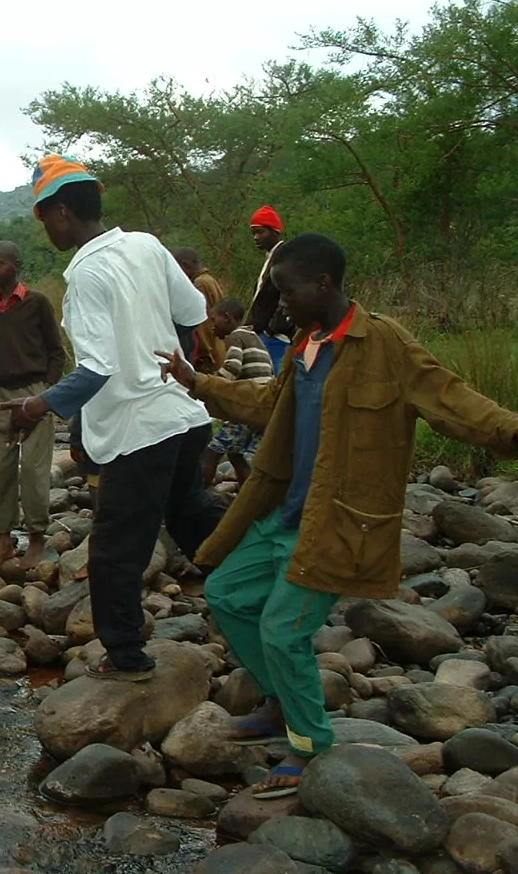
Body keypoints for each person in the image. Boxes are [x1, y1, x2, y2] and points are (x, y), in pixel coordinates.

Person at [157, 233, 518, 799]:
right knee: (225, 592)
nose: (280, 305)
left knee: (282, 630)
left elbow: (456, 403)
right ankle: (281, 704)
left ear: (322, 283)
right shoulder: (307, 342)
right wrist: (197, 382)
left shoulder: (386, 344)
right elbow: (267, 406)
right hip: (283, 514)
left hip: (340, 524)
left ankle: (309, 745)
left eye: (287, 291)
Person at [0, 155, 226, 681]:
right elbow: (193, 315)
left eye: (42, 217)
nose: (46, 228)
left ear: (59, 213)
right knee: (192, 515)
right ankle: (256, 588)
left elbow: (99, 368)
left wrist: (39, 406)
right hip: (185, 418)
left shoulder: (87, 273)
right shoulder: (147, 245)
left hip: (139, 431)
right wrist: (173, 365)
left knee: (117, 549)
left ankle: (125, 657)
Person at [0, 240, 66, 572]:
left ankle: (37, 538)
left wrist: (48, 391)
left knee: (35, 468)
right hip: (0, 395)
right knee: (2, 469)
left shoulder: (36, 302)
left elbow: (56, 350)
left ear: (16, 266)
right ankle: (4, 542)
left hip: (34, 391)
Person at [202, 298, 274, 487]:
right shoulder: (253, 337)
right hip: (262, 402)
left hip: (247, 401)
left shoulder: (234, 336)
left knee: (213, 452)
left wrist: (209, 383)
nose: (211, 327)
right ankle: (246, 497)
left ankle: (197, 496)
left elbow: (232, 369)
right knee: (235, 455)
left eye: (212, 319)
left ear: (226, 318)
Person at [248, 206, 295, 371]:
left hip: (276, 337)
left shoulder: (284, 257)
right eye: (254, 233)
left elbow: (288, 295)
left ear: (275, 231)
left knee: (275, 385)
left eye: (261, 232)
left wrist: (271, 329)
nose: (256, 237)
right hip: (264, 334)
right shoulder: (272, 257)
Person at [172, 247, 226, 374]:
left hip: (209, 352)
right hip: (218, 346)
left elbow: (204, 323)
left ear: (185, 265)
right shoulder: (209, 279)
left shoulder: (199, 284)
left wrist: (205, 352)